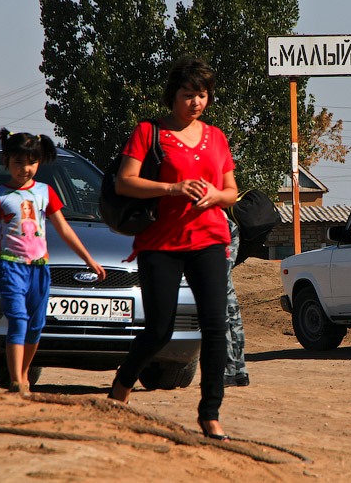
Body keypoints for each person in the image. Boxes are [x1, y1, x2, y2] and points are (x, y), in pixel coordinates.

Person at [109, 56, 237, 441]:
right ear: (173, 96)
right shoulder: (148, 132)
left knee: (216, 327)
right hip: (160, 243)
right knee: (160, 328)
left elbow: (231, 191)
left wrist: (216, 195)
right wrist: (172, 189)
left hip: (209, 240)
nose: (196, 102)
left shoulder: (216, 137)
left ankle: (210, 414)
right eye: (188, 94)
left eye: (202, 95)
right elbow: (124, 182)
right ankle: (121, 388)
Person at [0, 129, 106, 394]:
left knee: (36, 324)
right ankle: (16, 380)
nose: (25, 168)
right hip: (11, 266)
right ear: (7, 161)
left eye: (31, 162)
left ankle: (24, 372)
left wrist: (89, 260)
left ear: (38, 162)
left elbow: (64, 230)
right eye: (18, 162)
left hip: (40, 268)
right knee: (18, 319)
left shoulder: (45, 192)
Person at [224, 214, 249, 387]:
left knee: (224, 323)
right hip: (225, 283)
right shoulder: (229, 223)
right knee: (234, 322)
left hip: (216, 282)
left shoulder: (223, 224)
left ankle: (229, 371)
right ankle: (239, 371)